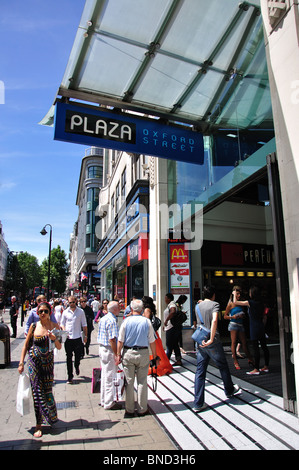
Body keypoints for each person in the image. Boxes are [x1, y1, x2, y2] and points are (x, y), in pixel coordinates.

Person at [18, 301, 61, 438]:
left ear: (50, 312)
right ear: (37, 313)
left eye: (45, 311)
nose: (43, 313)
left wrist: (54, 339)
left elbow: (59, 347)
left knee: (47, 391)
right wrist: (21, 362)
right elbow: (26, 345)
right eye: (40, 311)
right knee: (37, 392)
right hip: (34, 362)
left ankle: (51, 416)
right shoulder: (34, 326)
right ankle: (38, 424)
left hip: (48, 363)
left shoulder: (55, 327)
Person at [194, 285, 239, 412]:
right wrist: (212, 338)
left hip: (201, 340)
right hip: (212, 341)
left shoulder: (198, 306)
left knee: (200, 371)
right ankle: (229, 390)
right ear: (213, 295)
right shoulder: (215, 304)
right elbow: (214, 321)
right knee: (222, 366)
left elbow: (198, 322)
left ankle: (198, 403)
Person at [116, 299, 159, 417]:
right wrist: (154, 356)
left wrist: (118, 354)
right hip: (143, 353)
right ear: (141, 309)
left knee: (129, 382)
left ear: (131, 309)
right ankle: (142, 409)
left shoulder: (126, 322)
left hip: (128, 352)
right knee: (142, 381)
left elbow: (120, 340)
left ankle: (129, 410)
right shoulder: (146, 322)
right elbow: (152, 340)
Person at [233, 285, 270, 375]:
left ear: (252, 294)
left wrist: (234, 294)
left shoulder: (250, 302)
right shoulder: (261, 303)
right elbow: (264, 317)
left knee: (255, 348)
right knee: (264, 347)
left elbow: (235, 302)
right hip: (261, 326)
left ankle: (256, 368)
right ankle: (266, 366)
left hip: (254, 327)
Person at [97, 301, 122, 410]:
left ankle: (103, 400)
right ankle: (108, 402)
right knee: (109, 376)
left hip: (102, 348)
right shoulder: (112, 320)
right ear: (114, 309)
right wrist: (117, 353)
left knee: (104, 374)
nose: (120, 309)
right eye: (119, 307)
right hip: (108, 350)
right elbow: (112, 339)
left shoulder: (104, 318)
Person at [224, 286, 253, 370]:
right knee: (234, 342)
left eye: (239, 294)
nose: (239, 295)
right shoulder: (230, 304)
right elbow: (225, 316)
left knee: (244, 342)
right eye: (237, 294)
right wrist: (232, 317)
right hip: (233, 324)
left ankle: (250, 358)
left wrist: (242, 316)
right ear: (233, 294)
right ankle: (235, 361)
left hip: (240, 324)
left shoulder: (240, 303)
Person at [142, 296, 172, 377]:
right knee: (157, 349)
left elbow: (146, 321)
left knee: (153, 350)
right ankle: (156, 365)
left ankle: (154, 367)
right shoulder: (150, 309)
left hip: (150, 333)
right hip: (153, 333)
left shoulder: (146, 309)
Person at [61, 296, 88, 384]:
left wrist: (85, 336)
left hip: (77, 337)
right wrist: (64, 330)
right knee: (68, 357)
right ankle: (70, 376)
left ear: (76, 302)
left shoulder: (80, 312)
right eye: (70, 302)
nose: (71, 304)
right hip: (68, 338)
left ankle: (77, 366)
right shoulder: (65, 312)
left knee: (78, 356)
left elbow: (84, 324)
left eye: (73, 302)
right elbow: (62, 323)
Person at [163, 293, 182, 366]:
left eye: (165, 298)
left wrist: (166, 320)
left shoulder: (172, 304)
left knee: (169, 345)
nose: (165, 300)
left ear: (169, 298)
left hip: (171, 328)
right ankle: (178, 359)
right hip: (172, 327)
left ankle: (166, 360)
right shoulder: (172, 304)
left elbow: (173, 311)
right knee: (174, 344)